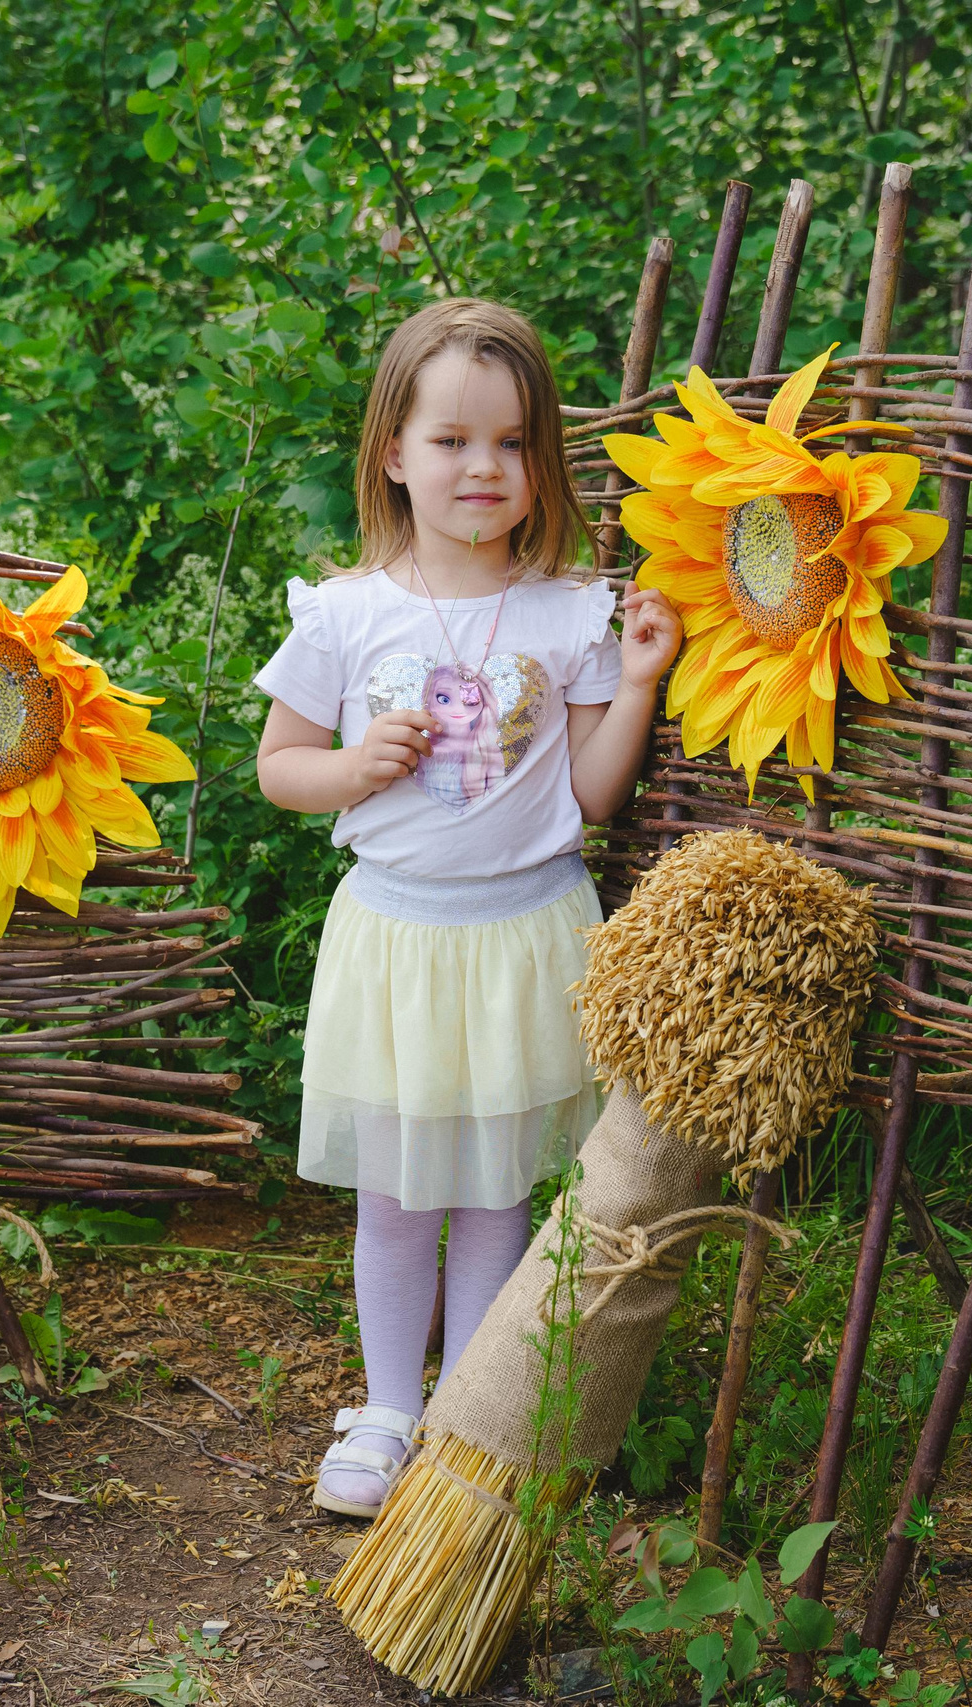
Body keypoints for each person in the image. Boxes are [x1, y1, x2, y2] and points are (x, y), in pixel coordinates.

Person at [253, 297, 680, 1518]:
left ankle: (466, 1411)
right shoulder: (344, 612)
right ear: (393, 452)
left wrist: (639, 681)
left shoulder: (569, 611)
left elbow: (592, 797)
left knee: (496, 1188)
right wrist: (354, 768)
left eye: (509, 442)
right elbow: (281, 769)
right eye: (450, 440)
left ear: (540, 460)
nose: (481, 467)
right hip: (396, 934)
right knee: (396, 1195)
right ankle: (386, 1407)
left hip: (526, 931)